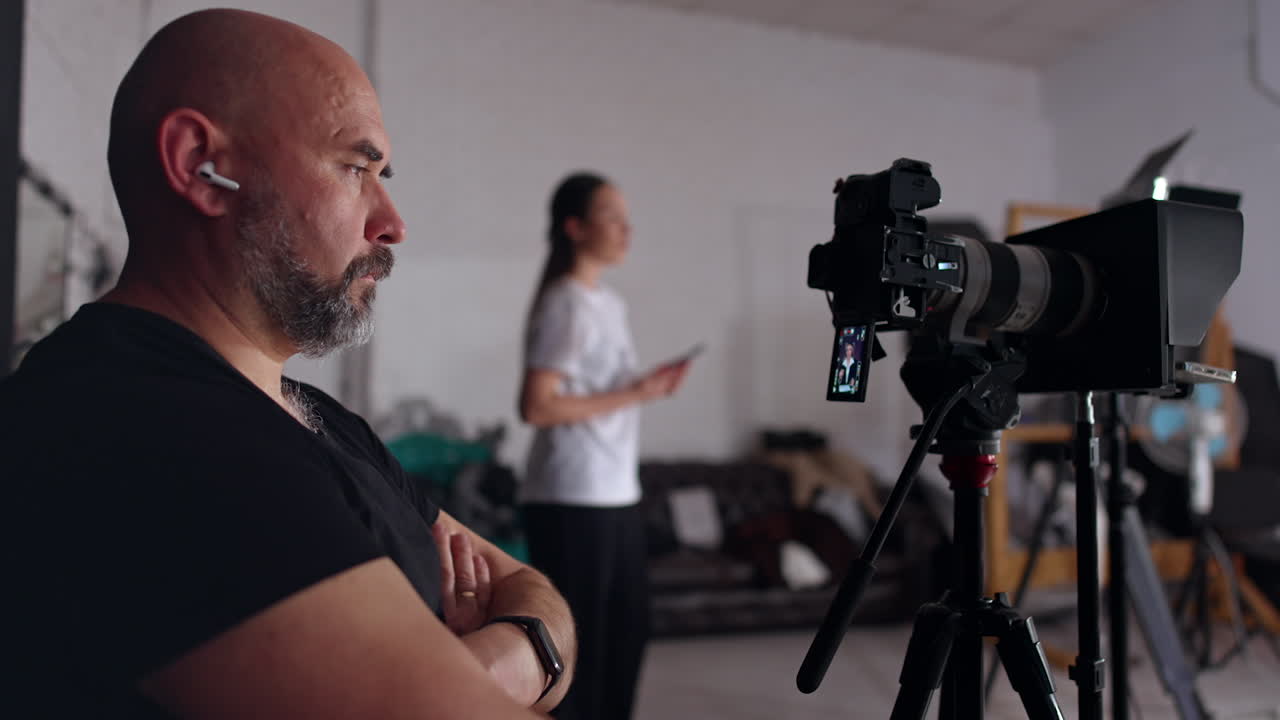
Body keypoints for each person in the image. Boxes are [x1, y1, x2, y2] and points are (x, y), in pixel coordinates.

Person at [0, 10, 574, 719]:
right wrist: (519, 663)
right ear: (199, 167)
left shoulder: (315, 417)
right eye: (355, 168)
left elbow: (528, 586)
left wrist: (505, 660)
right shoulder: (146, 427)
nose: (393, 224)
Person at [518, 172, 692, 720]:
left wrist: (644, 388)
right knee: (581, 657)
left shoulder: (608, 304)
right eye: (611, 217)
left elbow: (595, 391)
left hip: (615, 493)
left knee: (626, 638)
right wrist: (636, 393)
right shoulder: (565, 303)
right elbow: (537, 406)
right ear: (575, 227)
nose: (626, 230)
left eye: (626, 218)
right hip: (571, 495)